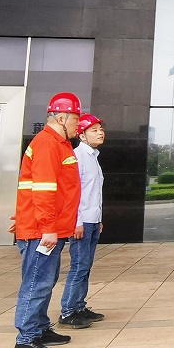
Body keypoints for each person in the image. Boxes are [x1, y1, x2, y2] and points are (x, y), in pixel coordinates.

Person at [11, 93, 82, 348]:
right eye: (75, 119)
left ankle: (39, 329)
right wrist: (47, 227)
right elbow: (43, 190)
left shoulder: (59, 144)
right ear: (61, 118)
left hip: (47, 227)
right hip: (43, 231)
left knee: (45, 281)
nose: (78, 125)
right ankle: (26, 339)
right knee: (36, 283)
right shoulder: (48, 144)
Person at [59, 113, 106, 329]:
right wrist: (76, 221)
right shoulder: (77, 157)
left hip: (92, 220)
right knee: (78, 266)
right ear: (82, 135)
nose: (100, 133)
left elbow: (93, 193)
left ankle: (79, 306)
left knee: (86, 266)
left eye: (101, 129)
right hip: (81, 222)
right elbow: (72, 193)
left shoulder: (93, 157)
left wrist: (98, 219)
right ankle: (68, 311)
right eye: (94, 130)